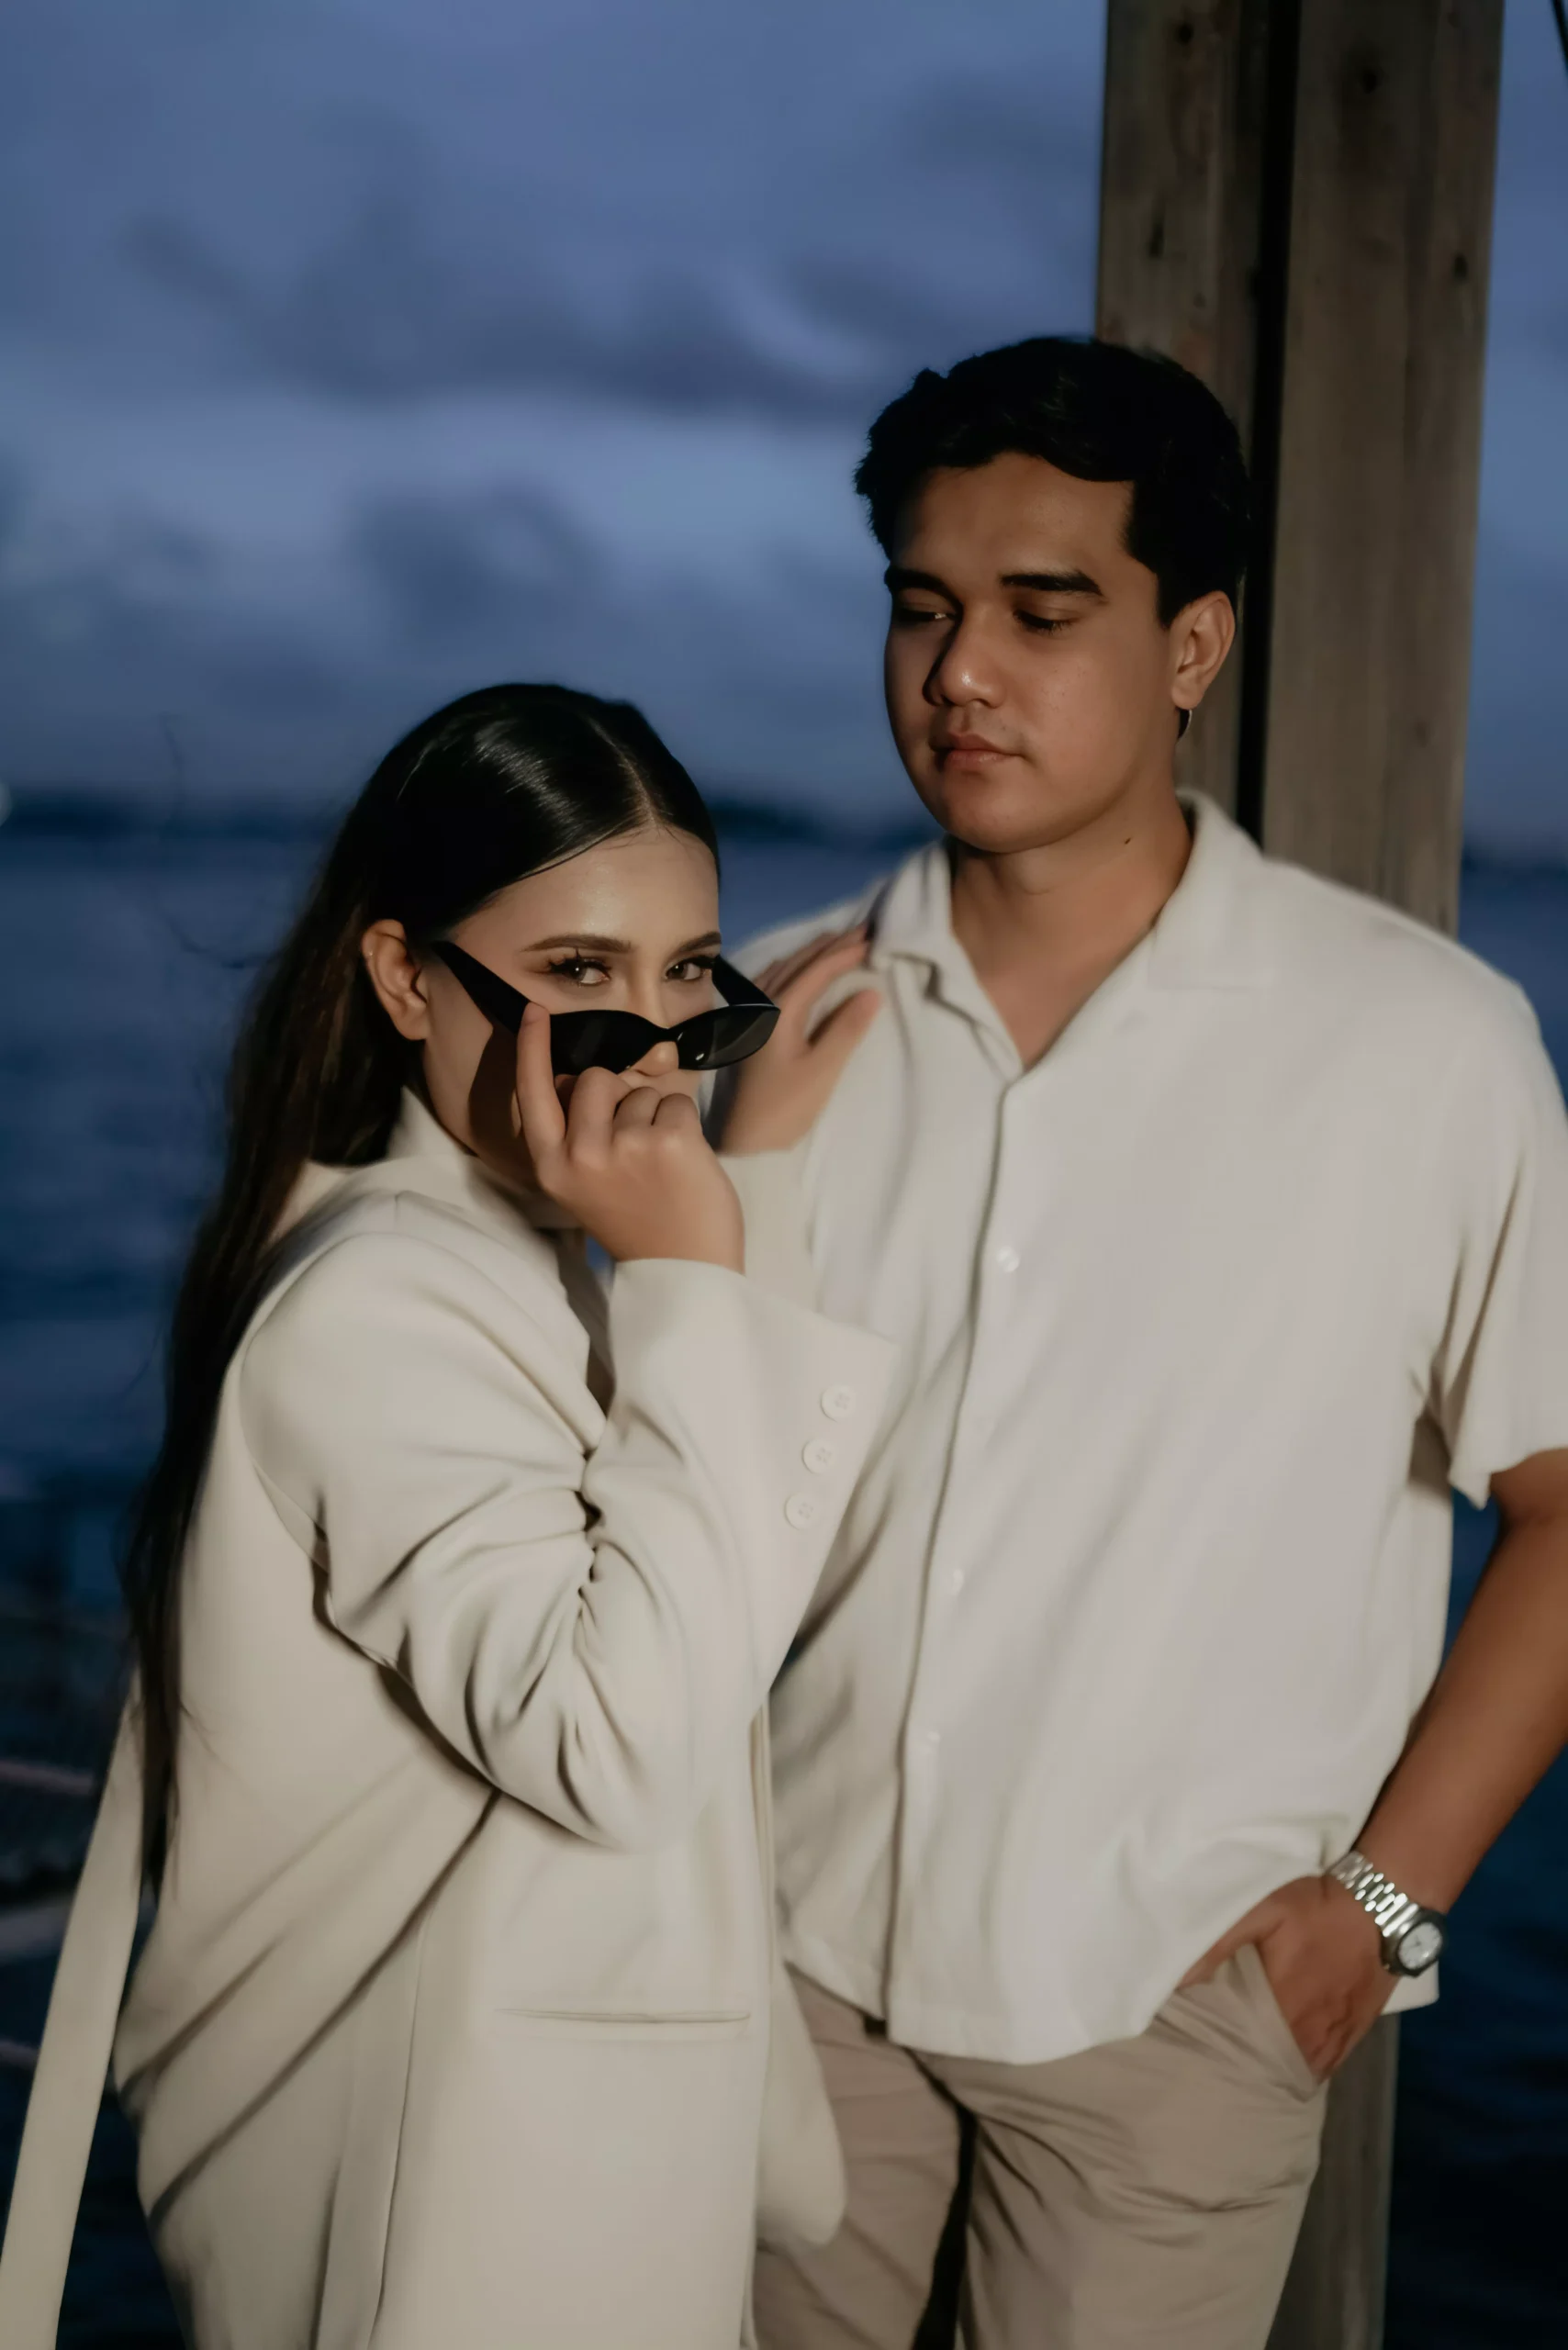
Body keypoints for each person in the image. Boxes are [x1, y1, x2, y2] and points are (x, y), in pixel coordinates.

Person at [720, 338, 1568, 2350]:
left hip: (1168, 2008)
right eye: (921, 607)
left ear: (1191, 643)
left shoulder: (1423, 1046)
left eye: (1041, 611)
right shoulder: (764, 1020)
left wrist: (1375, 1912)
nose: (959, 673)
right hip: (786, 1974)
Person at [0, 684, 895, 2350]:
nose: (650, 1052)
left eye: (688, 976)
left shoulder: (494, 1254)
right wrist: (695, 1256)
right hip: (460, 2216)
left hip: (515, 2164)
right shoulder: (387, 1306)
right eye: (579, 976)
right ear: (406, 978)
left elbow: (705, 1573)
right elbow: (618, 1743)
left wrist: (732, 1203)